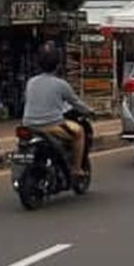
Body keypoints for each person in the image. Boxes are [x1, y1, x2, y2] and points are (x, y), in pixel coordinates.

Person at [22, 46, 93, 179]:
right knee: (79, 132)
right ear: (58, 65)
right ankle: (76, 169)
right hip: (52, 125)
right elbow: (76, 103)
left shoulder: (31, 82)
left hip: (28, 124)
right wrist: (89, 111)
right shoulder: (61, 84)